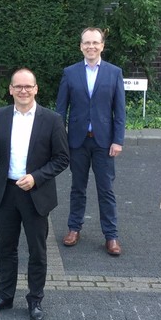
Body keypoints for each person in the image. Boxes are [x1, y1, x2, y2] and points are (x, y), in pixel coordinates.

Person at [0, 68, 69, 320]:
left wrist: (36, 177)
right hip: (6, 194)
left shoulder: (52, 119)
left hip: (35, 194)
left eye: (28, 86)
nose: (23, 91)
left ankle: (35, 300)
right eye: (18, 86)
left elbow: (62, 159)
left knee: (37, 251)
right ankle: (5, 295)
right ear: (10, 89)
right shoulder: (0, 116)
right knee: (6, 248)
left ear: (36, 89)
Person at [56, 27, 126, 256]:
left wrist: (118, 140)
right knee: (78, 188)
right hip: (77, 141)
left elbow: (119, 110)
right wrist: (60, 139)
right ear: (80, 46)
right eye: (86, 43)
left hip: (104, 142)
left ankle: (111, 236)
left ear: (102, 46)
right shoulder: (70, 72)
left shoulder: (114, 73)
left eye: (95, 42)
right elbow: (60, 110)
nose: (91, 47)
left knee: (106, 190)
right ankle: (74, 228)